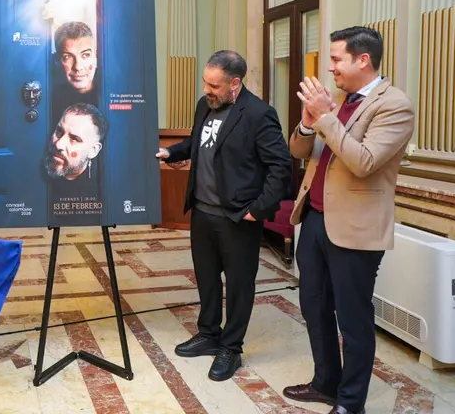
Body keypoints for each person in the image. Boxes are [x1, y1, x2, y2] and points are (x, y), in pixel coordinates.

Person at [282, 27, 415, 414]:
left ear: (363, 60)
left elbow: (364, 162)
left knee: (353, 319)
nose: (331, 66)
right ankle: (325, 383)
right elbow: (299, 150)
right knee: (314, 306)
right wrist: (308, 123)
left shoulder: (395, 106)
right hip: (316, 219)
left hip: (356, 228)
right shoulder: (337, 99)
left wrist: (324, 117)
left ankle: (351, 401)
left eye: (337, 58)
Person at [155, 50, 291, 381]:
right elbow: (198, 141)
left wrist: (258, 210)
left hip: (237, 218)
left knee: (239, 284)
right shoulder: (206, 106)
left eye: (213, 84)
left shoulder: (259, 114)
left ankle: (231, 346)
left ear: (235, 83)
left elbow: (281, 167)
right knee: (206, 278)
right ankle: (208, 334)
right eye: (205, 82)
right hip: (201, 212)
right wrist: (171, 151)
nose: (207, 89)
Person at [43, 102, 108, 226]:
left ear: (93, 151)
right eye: (59, 131)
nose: (58, 144)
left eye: (74, 139)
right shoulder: (33, 177)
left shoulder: (104, 188)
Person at [50, 21, 100, 127]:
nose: (77, 66)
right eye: (67, 57)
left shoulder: (109, 89)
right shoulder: (51, 98)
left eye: (85, 55)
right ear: (57, 60)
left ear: (95, 55)